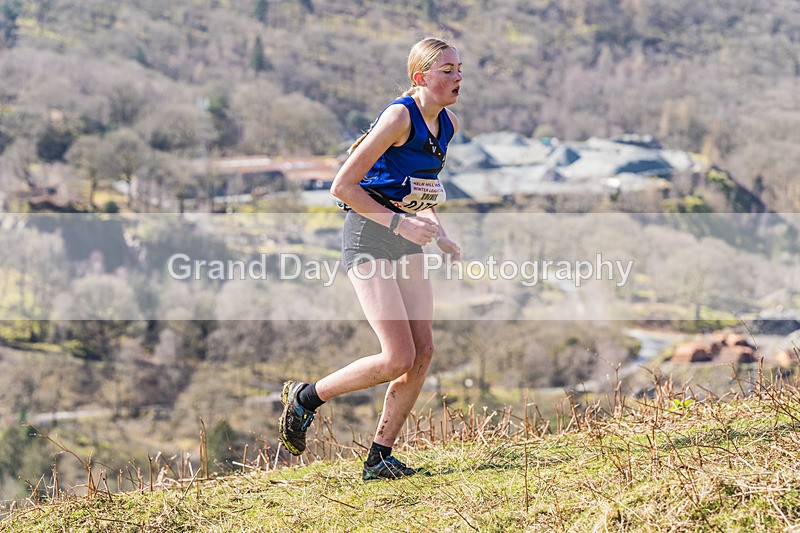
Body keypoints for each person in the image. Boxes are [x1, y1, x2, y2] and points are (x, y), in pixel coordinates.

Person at [279, 37, 462, 481]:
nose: (457, 78)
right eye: (447, 71)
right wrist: (401, 225)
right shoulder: (401, 115)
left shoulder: (449, 123)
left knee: (423, 352)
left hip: (407, 238)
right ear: (421, 78)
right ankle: (306, 398)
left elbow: (418, 188)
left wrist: (439, 231)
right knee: (397, 356)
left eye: (459, 70)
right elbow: (342, 186)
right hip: (368, 236)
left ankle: (379, 458)